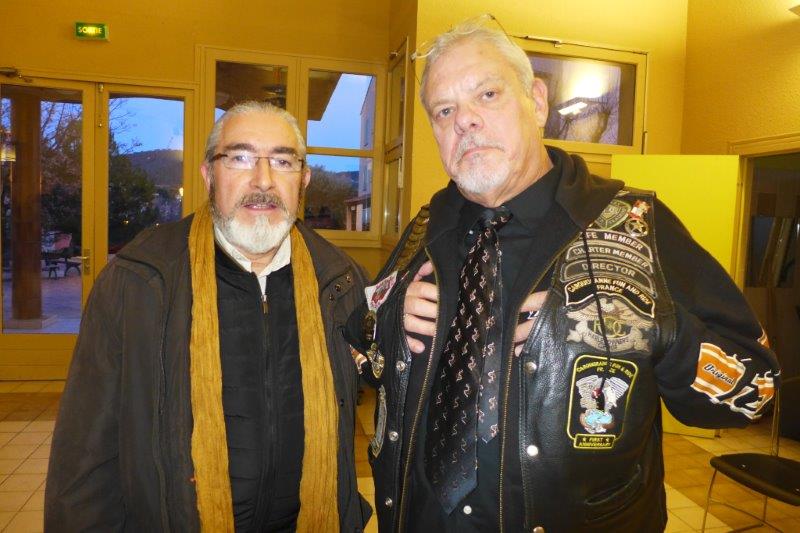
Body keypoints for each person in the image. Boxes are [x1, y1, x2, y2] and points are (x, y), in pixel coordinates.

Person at [351, 19, 781, 532]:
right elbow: (361, 353)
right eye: (444, 110)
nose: (465, 120)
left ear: (536, 101)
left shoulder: (636, 226)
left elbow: (756, 391)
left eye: (487, 94)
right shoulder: (426, 228)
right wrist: (384, 321)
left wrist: (651, 328)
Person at [45, 101, 372, 532]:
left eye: (282, 161)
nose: (263, 180)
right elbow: (85, 458)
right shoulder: (139, 283)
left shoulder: (342, 282)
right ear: (208, 176)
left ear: (303, 180)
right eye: (240, 158)